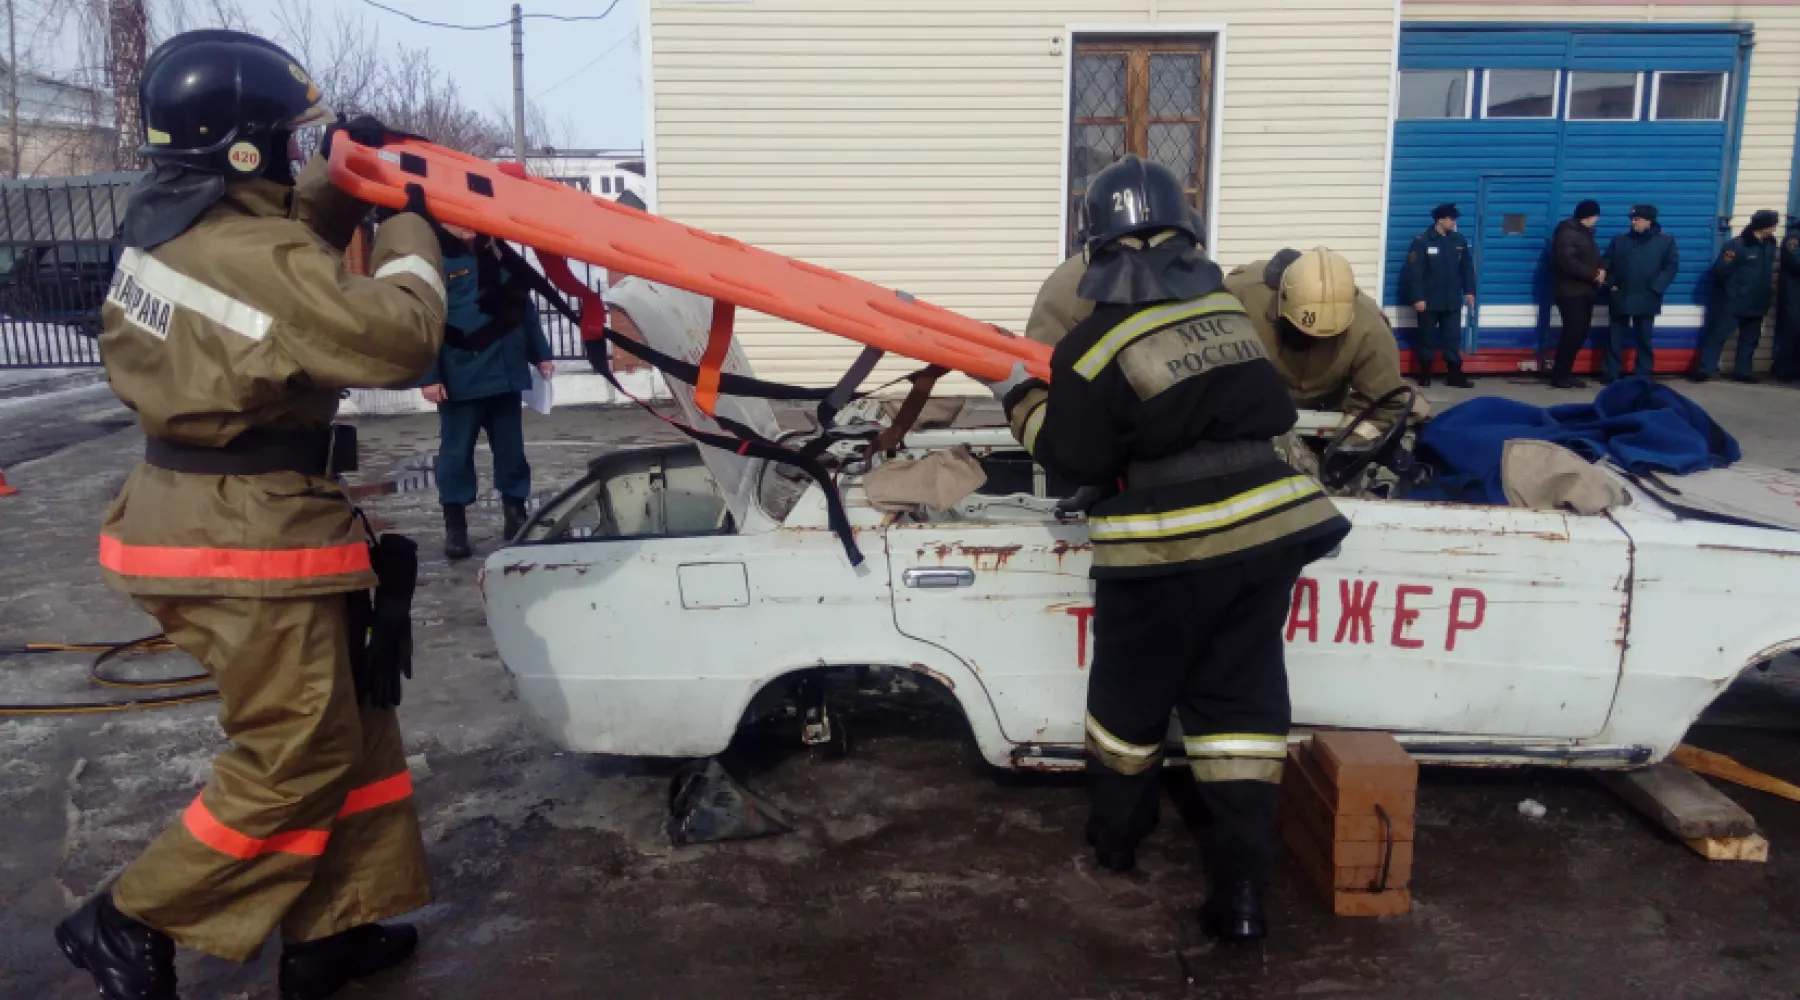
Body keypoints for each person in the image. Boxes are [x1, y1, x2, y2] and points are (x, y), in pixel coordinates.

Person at [56, 30, 446, 1000]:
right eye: (283, 138)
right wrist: (409, 223)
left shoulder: (177, 223)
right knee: (298, 752)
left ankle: (334, 924)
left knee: (352, 723)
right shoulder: (244, 250)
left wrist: (341, 183)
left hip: (216, 514)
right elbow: (399, 336)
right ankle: (133, 913)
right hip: (240, 534)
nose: (288, 152)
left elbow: (280, 261)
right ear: (243, 149)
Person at [985, 156, 1350, 943]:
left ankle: (1117, 847)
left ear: (1097, 249)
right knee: (1241, 713)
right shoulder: (1227, 316)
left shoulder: (1091, 344)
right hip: (1269, 534)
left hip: (1165, 552)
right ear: (1186, 239)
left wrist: (1017, 396)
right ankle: (1244, 895)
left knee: (1128, 707)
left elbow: (1072, 457)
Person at [419, 224, 555, 559]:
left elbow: (523, 309)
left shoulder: (500, 254)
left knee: (511, 452)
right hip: (460, 375)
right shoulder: (436, 261)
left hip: (506, 373)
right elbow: (424, 320)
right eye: (455, 219)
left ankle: (515, 515)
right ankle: (456, 527)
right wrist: (429, 375)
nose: (464, 226)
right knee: (455, 456)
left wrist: (540, 354)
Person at [1223, 247, 1413, 428]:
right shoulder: (1241, 294)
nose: (1310, 341)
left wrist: (1349, 447)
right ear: (1282, 300)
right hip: (1252, 411)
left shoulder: (1370, 329)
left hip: (1328, 416)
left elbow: (1385, 404)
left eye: (1326, 338)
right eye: (1300, 331)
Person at [1697, 210, 1782, 383]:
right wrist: (1733, 291)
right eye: (1772, 226)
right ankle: (1705, 369)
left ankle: (1743, 372)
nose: (1773, 229)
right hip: (1734, 301)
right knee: (1718, 335)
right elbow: (1720, 271)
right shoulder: (1736, 245)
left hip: (1758, 300)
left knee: (1750, 339)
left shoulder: (1770, 244)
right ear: (1762, 226)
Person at [1401, 203, 1476, 388]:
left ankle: (1454, 375)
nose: (1453, 222)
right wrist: (1417, 297)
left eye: (1454, 219)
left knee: (1452, 337)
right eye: (1451, 218)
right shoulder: (1422, 241)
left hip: (1451, 300)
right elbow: (1414, 272)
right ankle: (1425, 374)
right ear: (1440, 219)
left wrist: (1469, 291)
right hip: (1428, 301)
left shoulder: (1458, 241)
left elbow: (1467, 268)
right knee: (1427, 337)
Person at [1601, 205, 1679, 383]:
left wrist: (1656, 288)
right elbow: (1608, 261)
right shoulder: (1620, 240)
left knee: (1643, 337)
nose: (1633, 222)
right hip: (1620, 295)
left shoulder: (1664, 241)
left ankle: (1642, 374)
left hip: (1646, 297)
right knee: (1614, 337)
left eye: (1637, 219)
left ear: (1648, 221)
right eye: (1632, 219)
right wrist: (1611, 285)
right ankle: (1611, 372)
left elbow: (1671, 267)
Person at [1549, 200, 1605, 389]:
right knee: (1573, 334)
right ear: (1589, 216)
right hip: (1570, 292)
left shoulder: (1584, 233)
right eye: (1596, 216)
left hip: (1583, 291)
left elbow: (1590, 258)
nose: (1597, 220)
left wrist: (1601, 269)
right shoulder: (1568, 233)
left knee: (1579, 334)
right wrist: (1593, 275)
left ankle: (1566, 372)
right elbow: (1568, 262)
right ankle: (1559, 375)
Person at [1775, 219, 1800, 383]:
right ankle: (1783, 370)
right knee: (1791, 332)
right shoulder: (1793, 237)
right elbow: (1796, 262)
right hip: (1793, 295)